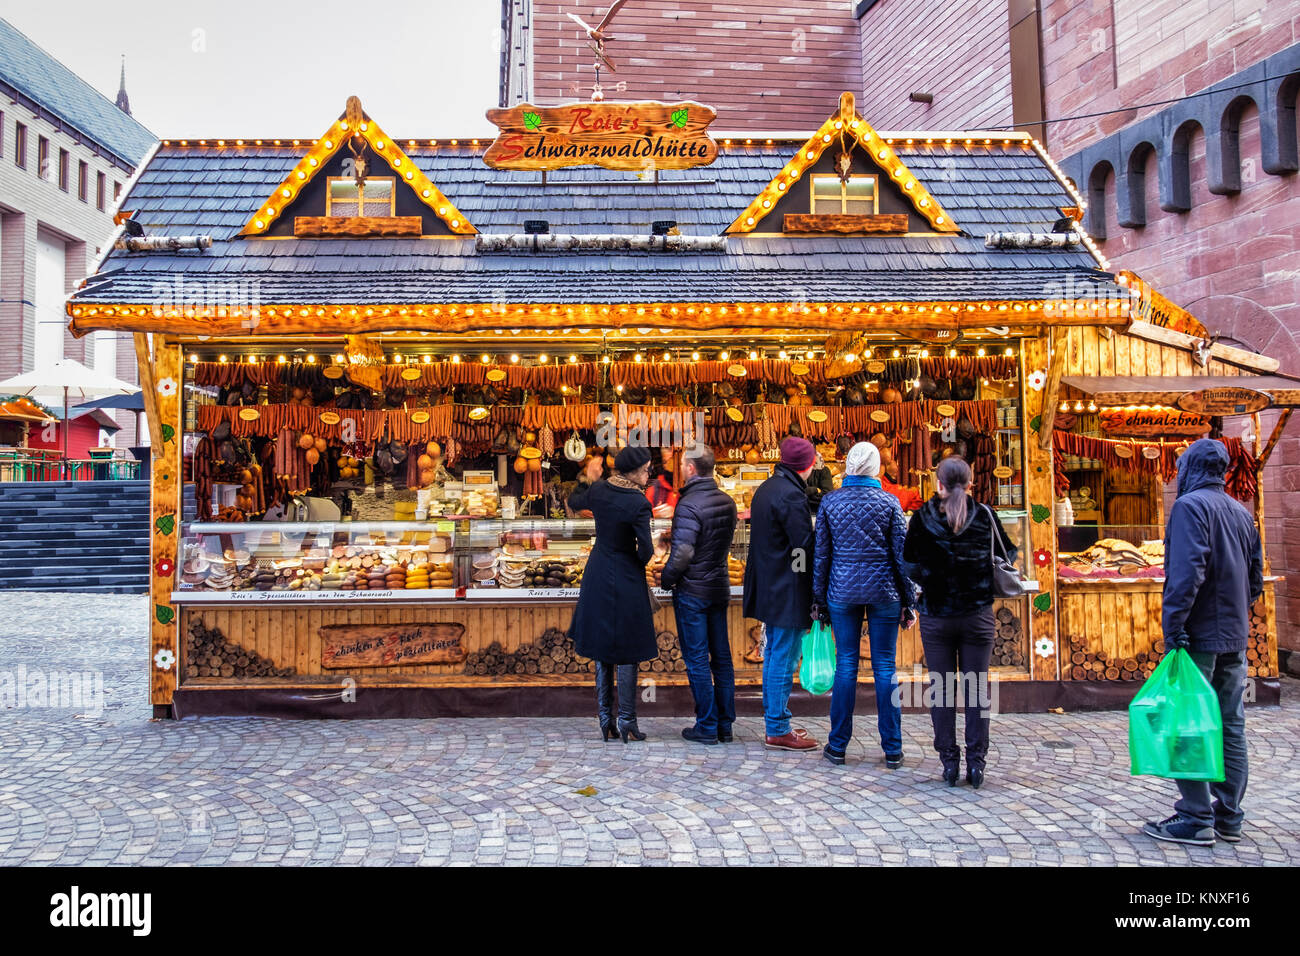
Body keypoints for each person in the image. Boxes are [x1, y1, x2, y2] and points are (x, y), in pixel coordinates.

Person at [1142, 438, 1263, 847]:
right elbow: (1256, 578)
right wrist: (1234, 616)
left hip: (1197, 636)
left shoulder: (1189, 507)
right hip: (1234, 636)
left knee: (1186, 722)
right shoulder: (1242, 513)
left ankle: (1195, 816)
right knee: (1231, 723)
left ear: (1191, 467)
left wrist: (1173, 627)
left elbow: (1185, 574)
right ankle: (1229, 815)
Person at [903, 456, 1015, 788]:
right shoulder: (985, 514)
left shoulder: (922, 517)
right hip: (977, 614)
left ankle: (949, 762)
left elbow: (909, 566)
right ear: (970, 484)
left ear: (937, 483)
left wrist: (931, 574)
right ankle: (977, 764)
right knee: (977, 690)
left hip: (936, 616)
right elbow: (1009, 555)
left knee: (940, 690)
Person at [812, 442, 915, 768]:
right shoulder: (890, 503)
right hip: (885, 593)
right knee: (885, 668)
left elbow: (821, 557)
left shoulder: (830, 502)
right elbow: (902, 557)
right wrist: (909, 599)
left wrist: (819, 599)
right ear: (875, 468)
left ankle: (838, 746)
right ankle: (893, 750)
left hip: (841, 592)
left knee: (846, 666)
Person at [567, 446, 659, 743]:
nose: (649, 474)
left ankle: (605, 717)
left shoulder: (600, 491)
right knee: (629, 648)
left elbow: (573, 499)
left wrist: (587, 478)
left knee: (602, 646)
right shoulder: (638, 502)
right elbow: (645, 550)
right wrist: (634, 561)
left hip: (597, 571)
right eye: (646, 469)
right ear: (633, 472)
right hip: (627, 575)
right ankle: (628, 720)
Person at [743, 435, 820, 752]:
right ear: (809, 464)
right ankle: (777, 728)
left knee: (775, 654)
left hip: (770, 585)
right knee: (783, 658)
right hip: (786, 589)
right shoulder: (791, 496)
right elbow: (803, 548)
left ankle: (779, 721)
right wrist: (810, 583)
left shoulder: (767, 488)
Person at [659, 443, 738, 744]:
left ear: (691, 468)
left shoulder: (689, 504)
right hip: (719, 586)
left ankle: (706, 725)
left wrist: (667, 579)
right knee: (721, 657)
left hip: (693, 590)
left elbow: (683, 553)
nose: (680, 469)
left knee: (697, 659)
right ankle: (725, 724)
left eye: (682, 465)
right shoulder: (727, 502)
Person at [646, 449, 679, 518]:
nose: (668, 465)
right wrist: (655, 514)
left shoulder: (689, 486)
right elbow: (645, 515)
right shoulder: (654, 489)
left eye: (671, 460)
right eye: (665, 462)